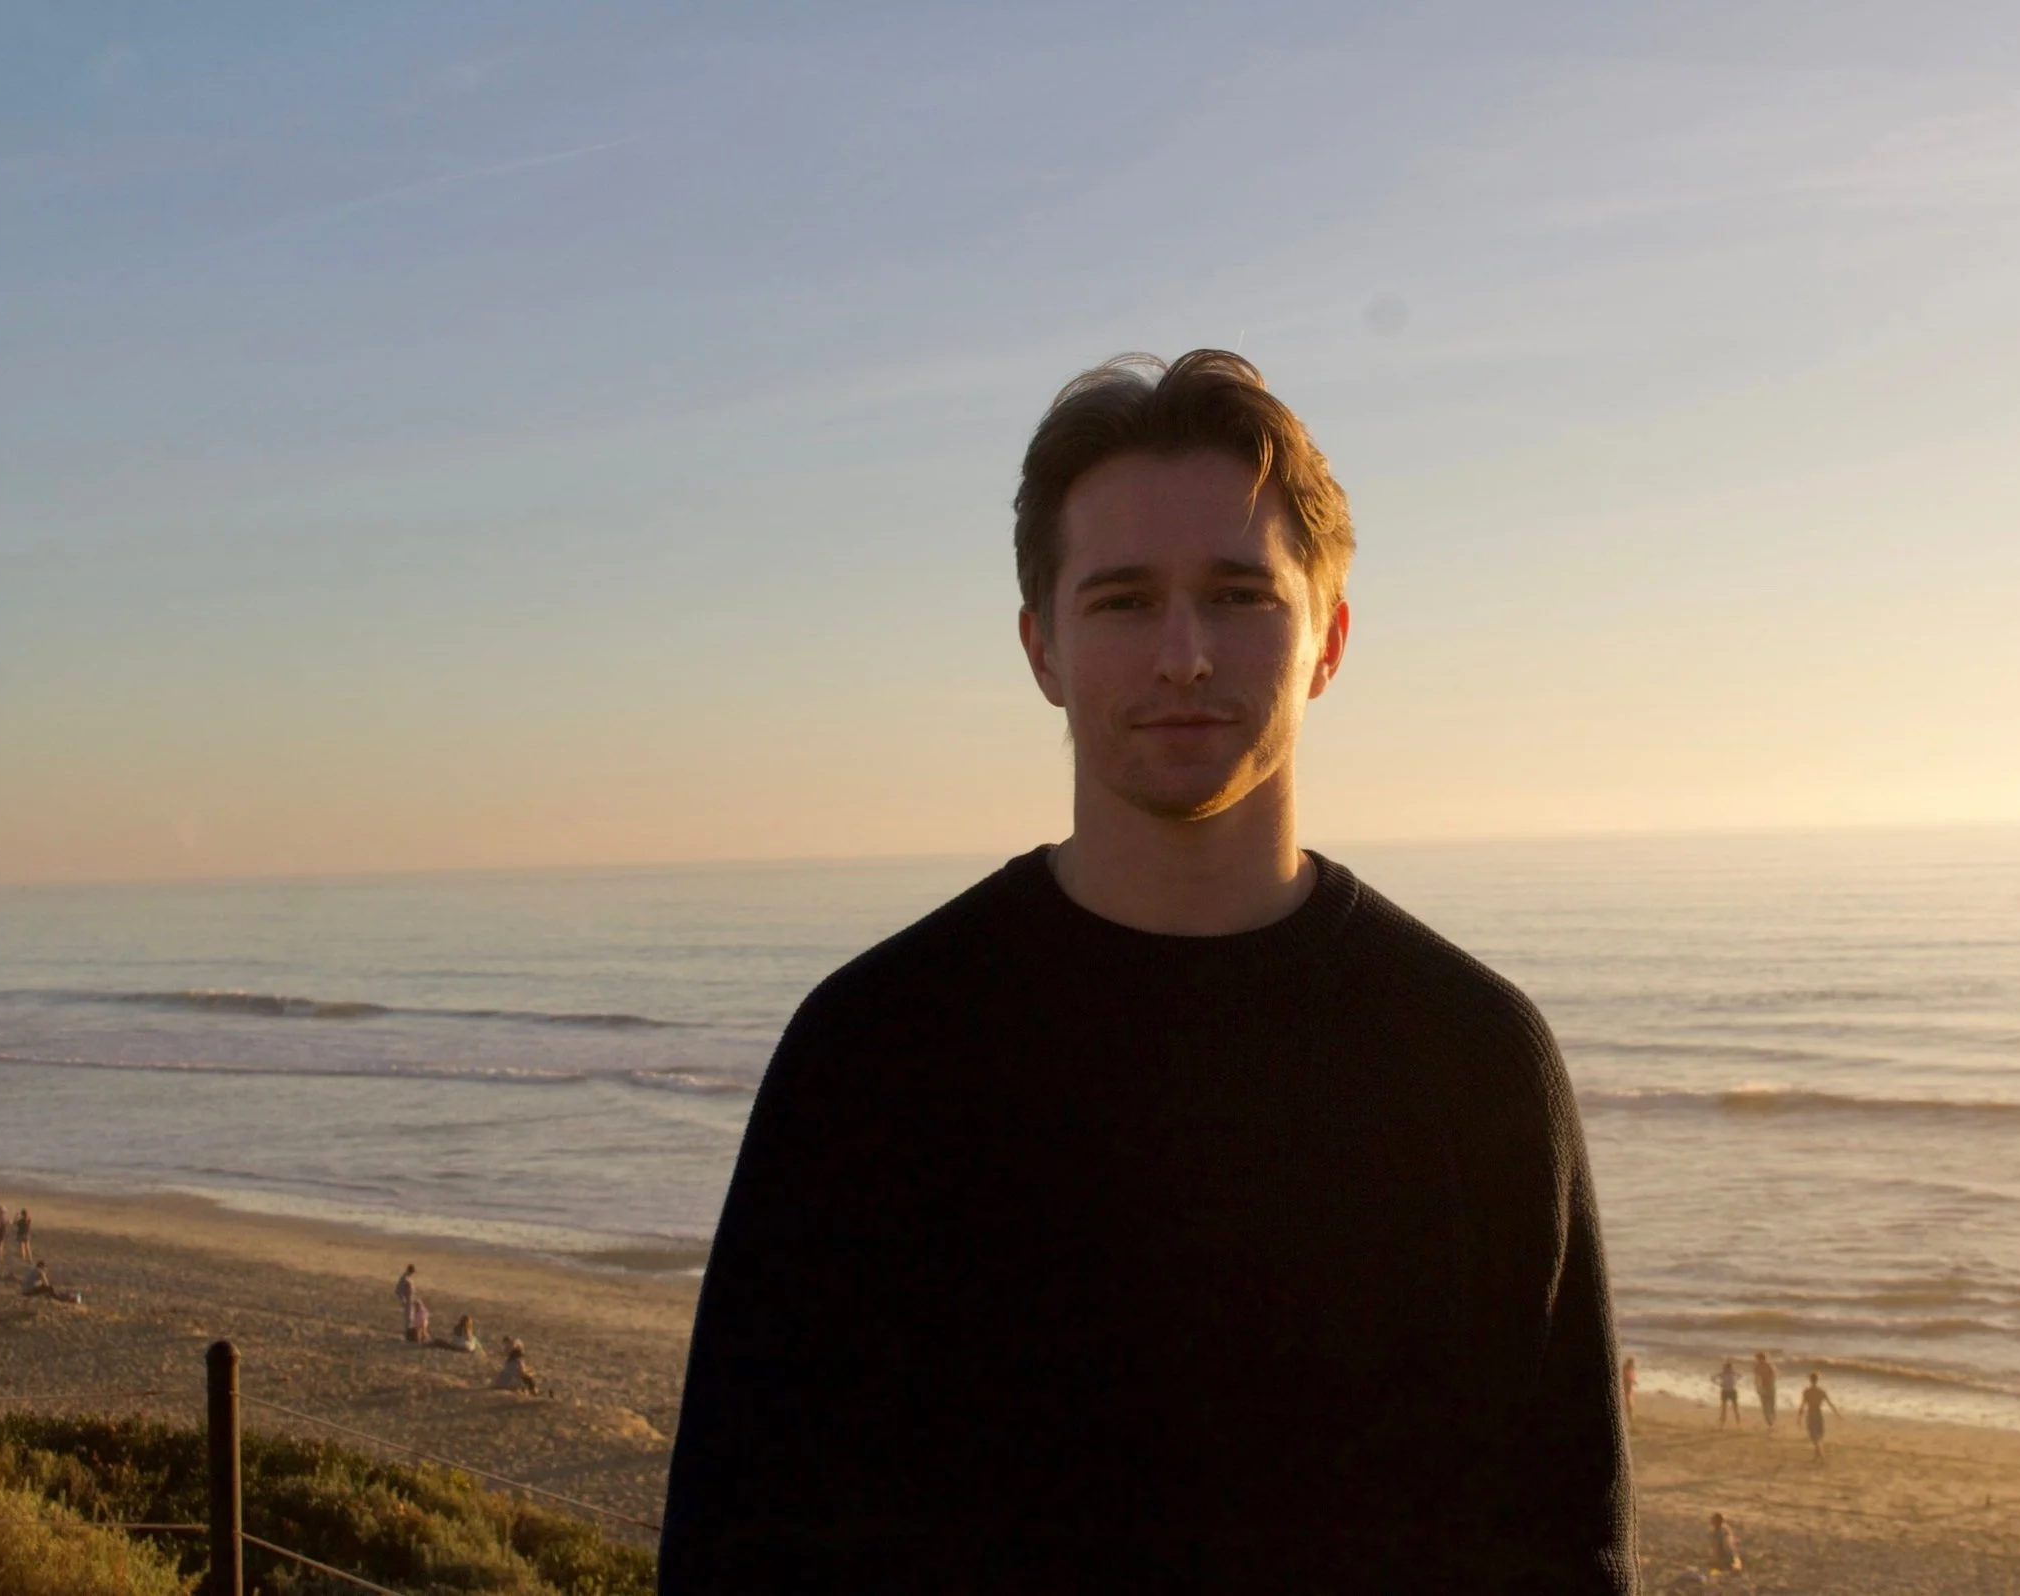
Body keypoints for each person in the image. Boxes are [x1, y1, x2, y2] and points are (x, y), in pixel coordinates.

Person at [662, 351, 1635, 1593]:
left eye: (1239, 595)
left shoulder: (1477, 1060)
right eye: (1123, 601)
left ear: (1327, 639)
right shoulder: (873, 1054)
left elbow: (1566, 1546)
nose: (1183, 654)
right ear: (1042, 648)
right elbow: (737, 1540)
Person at [1797, 1370, 1840, 1462]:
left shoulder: (1807, 1391)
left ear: (1810, 1380)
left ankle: (1821, 1455)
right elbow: (1830, 1403)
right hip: (1818, 1413)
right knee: (1818, 1435)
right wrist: (1836, 1413)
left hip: (1811, 1413)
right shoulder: (1821, 1391)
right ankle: (1818, 1455)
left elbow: (1802, 1405)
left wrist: (1799, 1417)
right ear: (1817, 1380)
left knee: (1814, 1435)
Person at [1752, 1350, 1779, 1430]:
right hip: (1770, 1387)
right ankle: (1771, 1421)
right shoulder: (1769, 1365)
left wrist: (1758, 1388)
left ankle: (1770, 1421)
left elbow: (1756, 1379)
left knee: (1766, 1405)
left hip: (1765, 1387)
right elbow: (1774, 1376)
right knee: (1770, 1405)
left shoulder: (1758, 1367)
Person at [1714, 1359, 1742, 1428]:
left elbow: (1740, 1376)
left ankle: (1738, 1423)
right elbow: (1712, 1378)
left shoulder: (1732, 1373)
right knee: (1724, 1408)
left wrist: (1735, 1380)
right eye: (1726, 1367)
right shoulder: (1722, 1373)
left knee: (1735, 1408)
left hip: (1732, 1391)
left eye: (1728, 1367)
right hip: (1725, 1391)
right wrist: (1719, 1384)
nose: (1727, 1369)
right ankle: (1722, 1424)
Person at [395, 1264, 418, 1340]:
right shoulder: (404, 1278)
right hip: (407, 1300)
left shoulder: (409, 1278)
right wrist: (403, 1299)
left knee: (412, 1318)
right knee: (408, 1319)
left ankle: (410, 1336)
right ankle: (407, 1336)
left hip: (411, 1300)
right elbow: (397, 1290)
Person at [1623, 1355, 1639, 1424]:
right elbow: (1627, 1377)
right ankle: (1630, 1417)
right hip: (1628, 1386)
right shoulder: (1627, 1368)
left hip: (1629, 1386)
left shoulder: (1628, 1368)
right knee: (1629, 1402)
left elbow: (1630, 1377)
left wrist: (1634, 1381)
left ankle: (1630, 1416)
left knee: (1629, 1401)